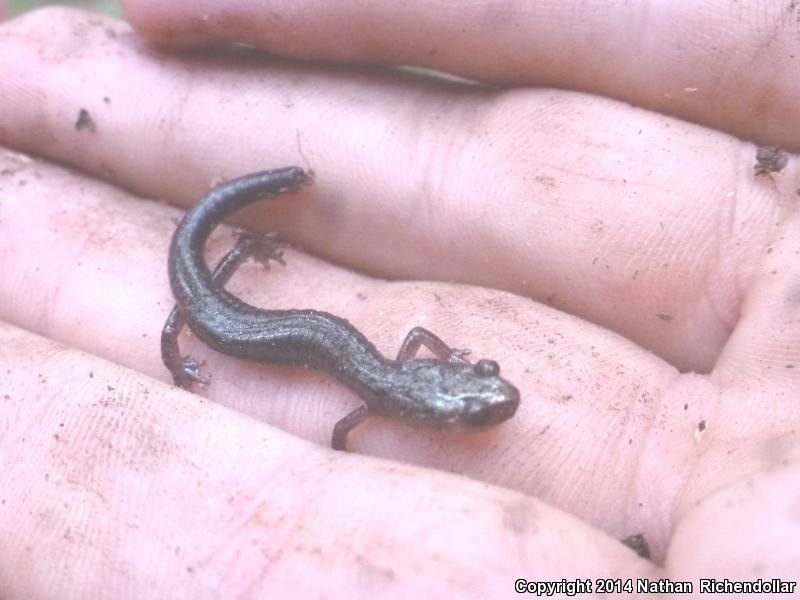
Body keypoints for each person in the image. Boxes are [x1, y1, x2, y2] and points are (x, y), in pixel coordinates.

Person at [0, 2, 798, 596]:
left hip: (225, 302)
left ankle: (240, 235)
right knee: (190, 306)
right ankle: (236, 233)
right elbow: (360, 396)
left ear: (427, 403)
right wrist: (182, 361)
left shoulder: (376, 393)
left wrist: (436, 365)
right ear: (425, 412)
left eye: (473, 399)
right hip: (211, 314)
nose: (489, 404)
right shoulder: (371, 402)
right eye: (476, 404)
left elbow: (395, 363)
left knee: (204, 287)